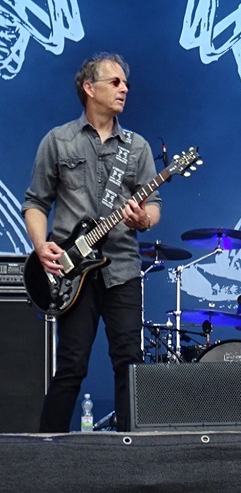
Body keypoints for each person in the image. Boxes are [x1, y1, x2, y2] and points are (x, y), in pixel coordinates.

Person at [23, 53, 161, 432]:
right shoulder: (58, 140)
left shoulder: (137, 146)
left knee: (129, 363)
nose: (124, 89)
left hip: (122, 268)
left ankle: (129, 449)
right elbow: (35, 202)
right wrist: (41, 245)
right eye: (115, 82)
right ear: (89, 88)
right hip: (71, 271)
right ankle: (46, 449)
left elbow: (154, 206)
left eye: (126, 83)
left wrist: (143, 219)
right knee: (71, 364)